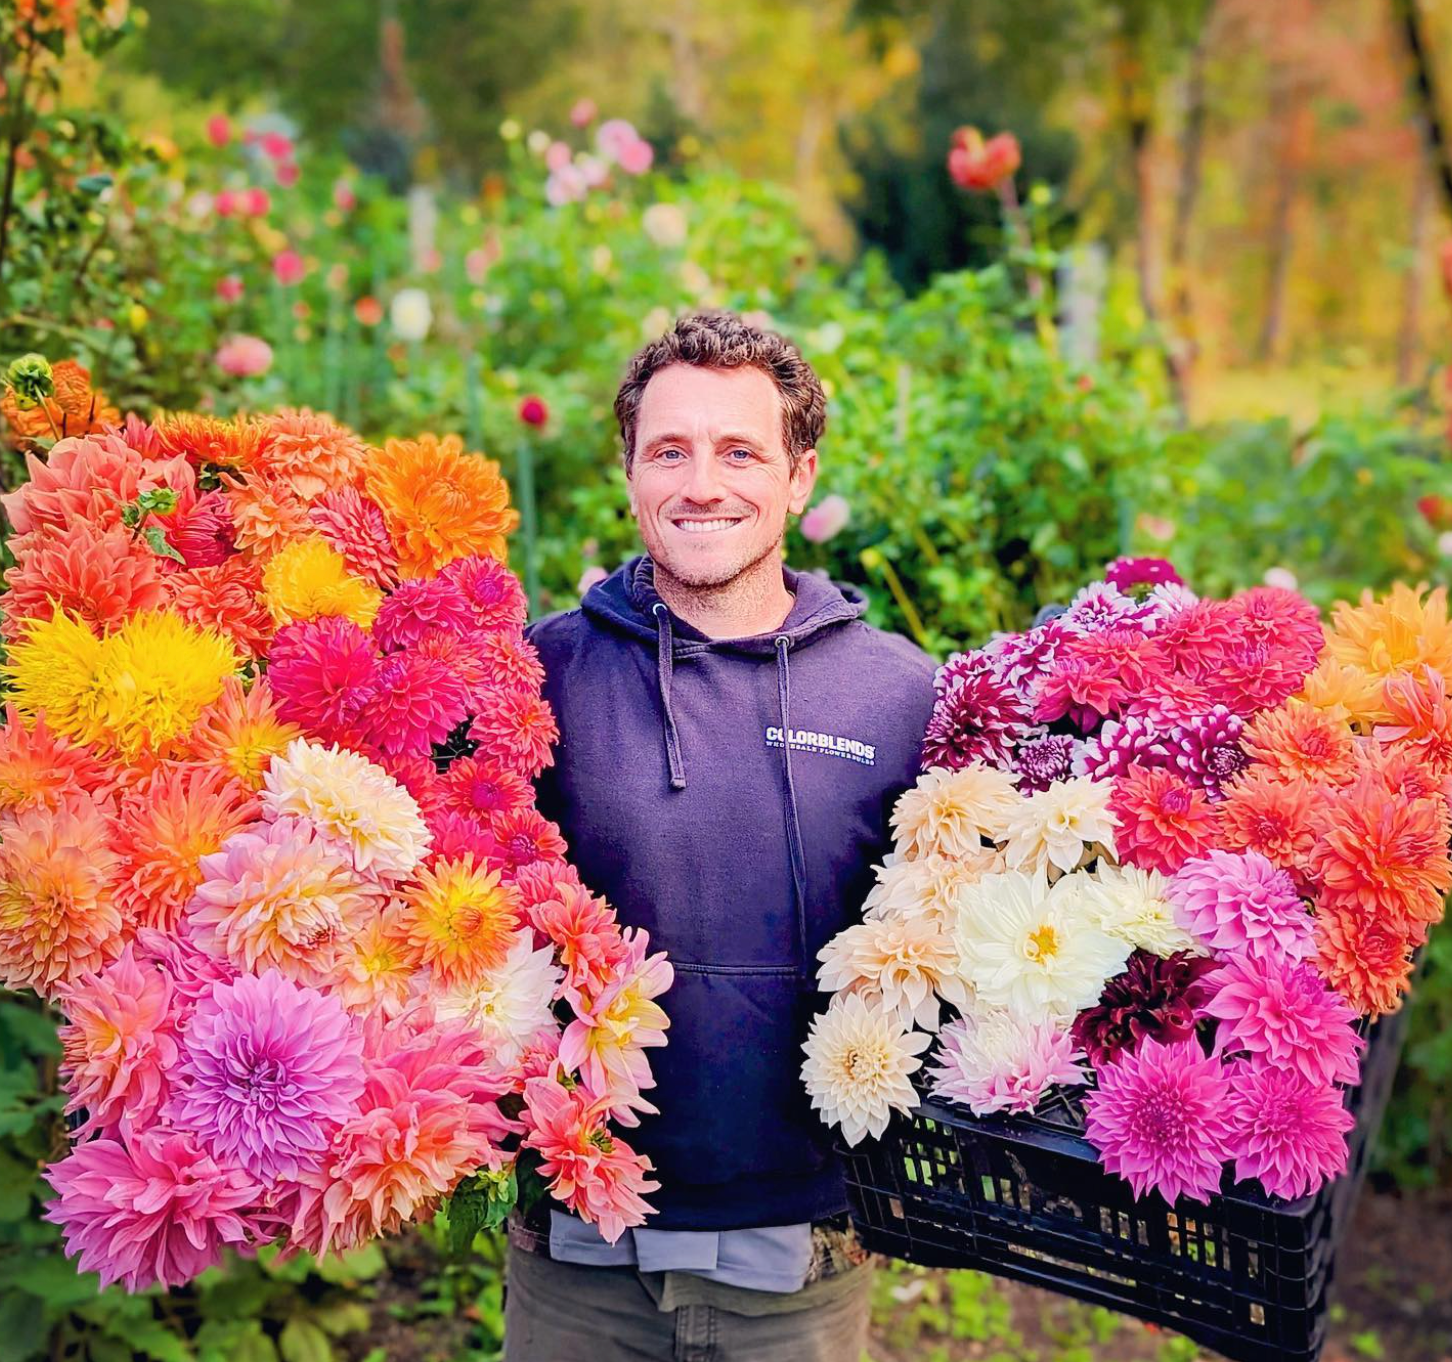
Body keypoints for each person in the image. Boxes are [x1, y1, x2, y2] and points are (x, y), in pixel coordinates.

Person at [506, 309, 937, 1361]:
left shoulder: (901, 694)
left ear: (799, 477)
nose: (703, 483)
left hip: (801, 1263)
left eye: (740, 451)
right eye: (671, 451)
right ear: (631, 472)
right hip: (575, 1263)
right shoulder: (535, 677)